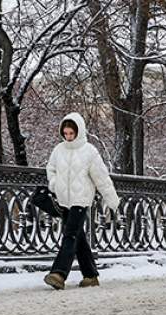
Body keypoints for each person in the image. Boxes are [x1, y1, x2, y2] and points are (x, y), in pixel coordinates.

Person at [43, 112, 120, 289]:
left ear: (79, 131)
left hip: (81, 200)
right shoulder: (58, 150)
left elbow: (102, 178)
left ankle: (59, 273)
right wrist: (54, 184)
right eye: (66, 133)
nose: (68, 137)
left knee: (70, 235)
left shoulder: (89, 152)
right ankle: (90, 275)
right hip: (63, 200)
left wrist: (112, 200)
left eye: (71, 133)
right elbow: (51, 169)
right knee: (78, 237)